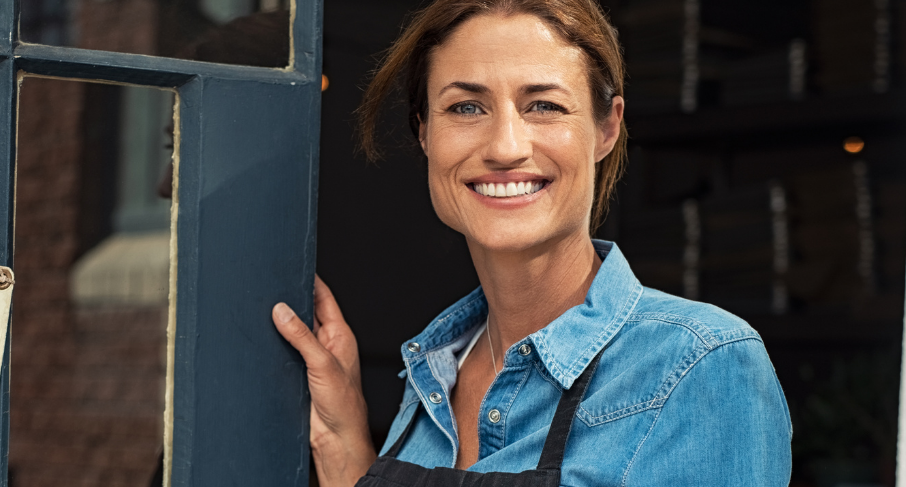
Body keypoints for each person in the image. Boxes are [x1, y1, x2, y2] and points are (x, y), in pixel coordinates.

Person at [270, 0, 792, 485]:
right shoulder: (432, 373)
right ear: (424, 131)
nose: (505, 147)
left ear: (606, 128)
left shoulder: (698, 366)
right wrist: (342, 440)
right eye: (466, 108)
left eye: (543, 105)